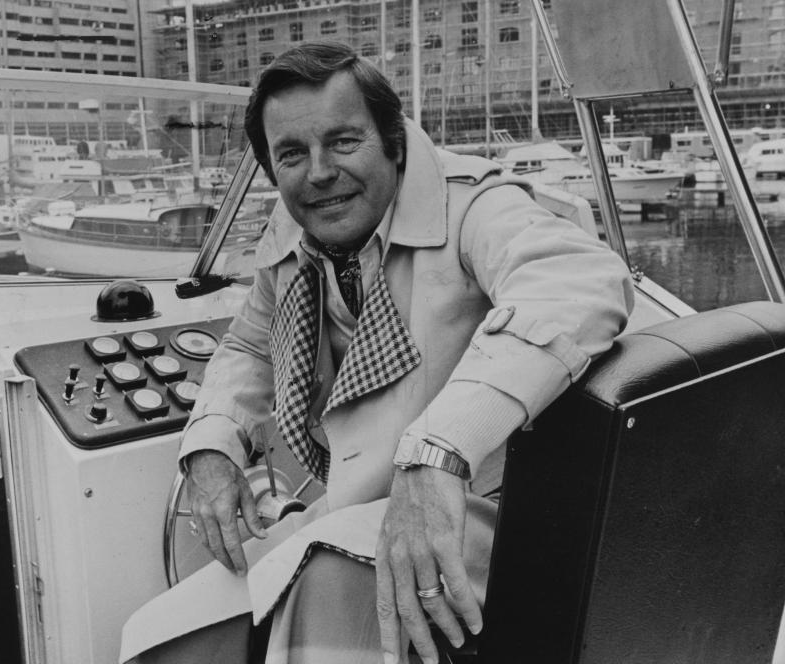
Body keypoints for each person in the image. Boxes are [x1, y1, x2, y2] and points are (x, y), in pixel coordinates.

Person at [121, 42, 634, 664]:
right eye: (292, 154)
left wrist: (440, 450)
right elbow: (251, 344)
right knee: (163, 636)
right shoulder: (294, 236)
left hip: (496, 509)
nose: (318, 173)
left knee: (327, 578)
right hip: (360, 503)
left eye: (343, 142)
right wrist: (211, 444)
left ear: (393, 141)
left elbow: (576, 281)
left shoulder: (473, 205)